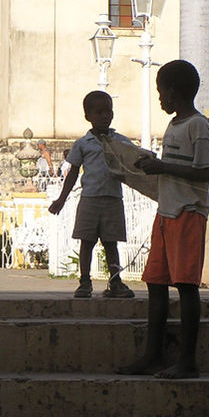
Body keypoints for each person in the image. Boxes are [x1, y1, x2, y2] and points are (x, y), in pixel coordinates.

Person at [117, 60, 209, 379]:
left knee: (186, 285)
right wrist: (155, 164)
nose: (160, 99)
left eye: (161, 93)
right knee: (156, 282)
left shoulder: (197, 126)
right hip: (166, 212)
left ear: (173, 94)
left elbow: (206, 172)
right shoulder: (174, 125)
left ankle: (188, 360)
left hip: (188, 212)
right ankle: (153, 355)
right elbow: (175, 165)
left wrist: (164, 168)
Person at [48, 90, 136, 299]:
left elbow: (135, 161)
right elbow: (73, 173)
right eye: (99, 112)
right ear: (88, 116)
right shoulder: (82, 144)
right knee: (86, 241)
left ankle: (115, 282)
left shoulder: (121, 142)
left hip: (113, 199)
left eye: (108, 111)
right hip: (90, 200)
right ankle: (85, 282)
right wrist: (61, 199)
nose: (105, 116)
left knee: (111, 243)